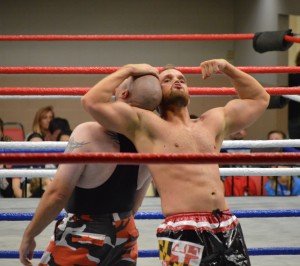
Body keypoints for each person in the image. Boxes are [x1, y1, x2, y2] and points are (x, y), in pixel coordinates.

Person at [81, 59, 270, 265]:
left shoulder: (213, 121)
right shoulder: (145, 125)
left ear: (189, 93)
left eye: (182, 79)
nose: (177, 81)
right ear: (156, 93)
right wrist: (129, 69)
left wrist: (227, 68)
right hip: (181, 228)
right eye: (167, 80)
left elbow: (260, 98)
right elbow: (92, 101)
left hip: (225, 223)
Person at [19, 74, 162, 266]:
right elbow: (134, 206)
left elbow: (58, 194)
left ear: (123, 93)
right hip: (125, 234)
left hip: (83, 234)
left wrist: (30, 234)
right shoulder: (154, 143)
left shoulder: (87, 132)